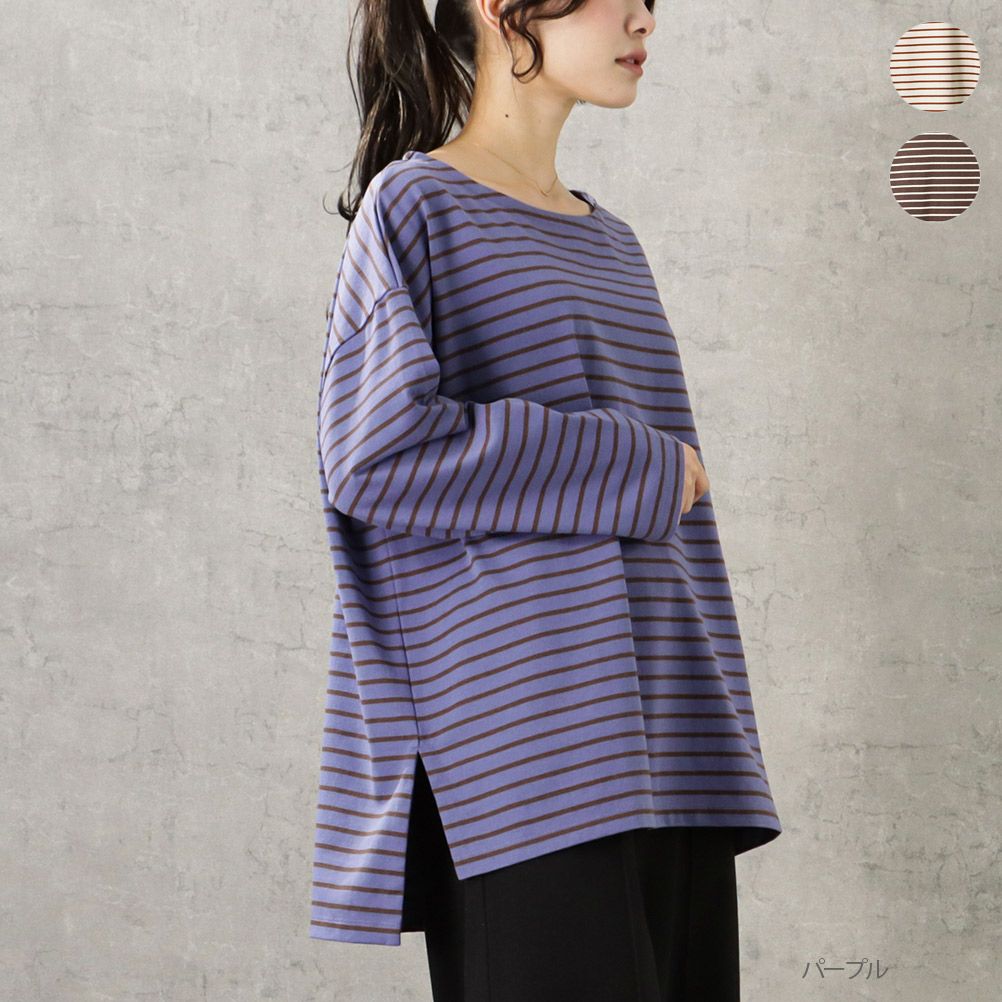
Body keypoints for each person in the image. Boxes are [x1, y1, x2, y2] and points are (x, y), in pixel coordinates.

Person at [310, 1, 783, 999]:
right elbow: (376, 454)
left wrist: (718, 737)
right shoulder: (417, 205)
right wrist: (638, 462)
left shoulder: (613, 243)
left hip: (674, 745)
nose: (645, 16)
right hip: (529, 759)